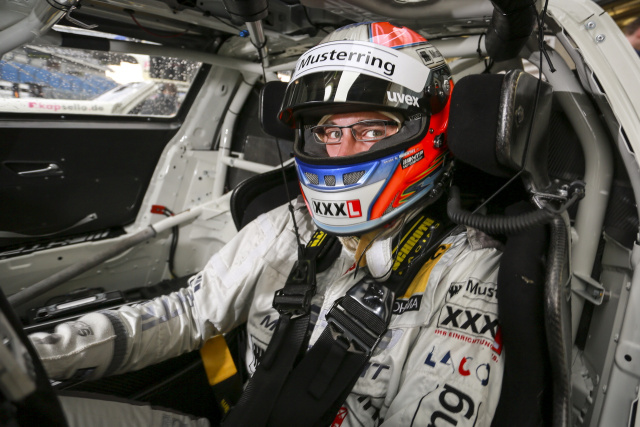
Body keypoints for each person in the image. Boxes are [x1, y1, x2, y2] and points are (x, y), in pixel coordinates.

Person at [28, 22, 503, 426]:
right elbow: (189, 313)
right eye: (327, 130)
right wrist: (31, 357)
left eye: (371, 129)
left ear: (429, 131)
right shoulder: (290, 223)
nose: (339, 150)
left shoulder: (469, 272)